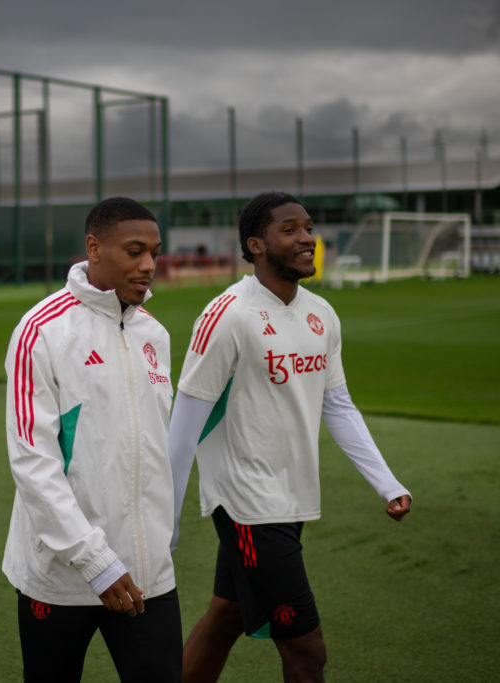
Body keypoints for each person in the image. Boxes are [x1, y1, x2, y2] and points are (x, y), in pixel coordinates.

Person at [168, 192, 412, 683]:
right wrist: (164, 522)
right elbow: (184, 424)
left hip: (293, 495)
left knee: (228, 616)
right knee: (307, 652)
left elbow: (337, 405)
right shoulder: (228, 315)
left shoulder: (322, 312)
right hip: (247, 503)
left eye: (309, 228)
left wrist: (388, 483)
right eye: (290, 230)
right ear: (255, 245)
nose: (306, 239)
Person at [2, 197, 182, 682]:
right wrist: (94, 560)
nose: (148, 265)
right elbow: (32, 462)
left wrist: (161, 533)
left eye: (154, 252)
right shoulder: (40, 331)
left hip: (147, 573)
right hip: (61, 575)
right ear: (94, 247)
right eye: (135, 251)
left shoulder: (154, 334)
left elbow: (154, 450)